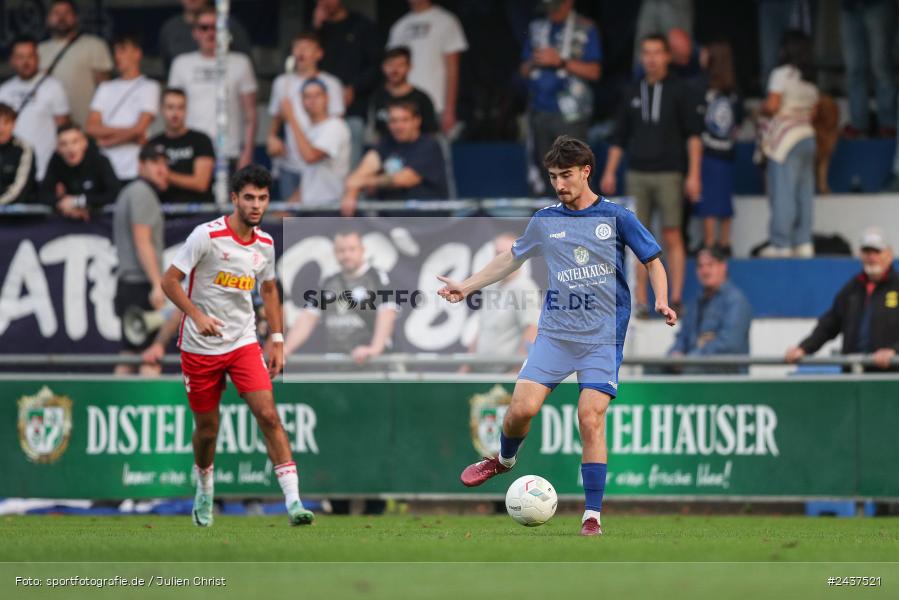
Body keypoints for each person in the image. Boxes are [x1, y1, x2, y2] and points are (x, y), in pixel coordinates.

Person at [437, 136, 677, 536]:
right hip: (555, 336)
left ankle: (592, 516)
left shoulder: (617, 217)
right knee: (521, 411)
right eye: (553, 177)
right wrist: (468, 286)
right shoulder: (546, 219)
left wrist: (663, 300)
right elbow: (511, 257)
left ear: (586, 172)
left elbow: (652, 260)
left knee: (590, 416)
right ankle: (504, 460)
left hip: (601, 337)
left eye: (566, 175)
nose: (560, 184)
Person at [160, 164, 315, 527]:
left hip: (243, 342)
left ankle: (294, 502)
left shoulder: (265, 243)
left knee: (269, 415)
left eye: (262, 198)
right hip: (199, 347)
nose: (256, 205)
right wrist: (196, 315)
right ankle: (204, 482)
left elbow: (270, 289)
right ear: (234, 198)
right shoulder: (206, 236)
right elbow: (169, 282)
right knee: (208, 430)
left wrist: (276, 339)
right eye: (249, 197)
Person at [600, 33, 702, 317]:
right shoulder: (632, 91)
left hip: (670, 172)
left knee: (672, 234)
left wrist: (694, 175)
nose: (652, 58)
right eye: (646, 52)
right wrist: (609, 172)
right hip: (637, 173)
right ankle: (641, 300)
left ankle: (676, 296)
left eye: (657, 52)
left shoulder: (680, 90)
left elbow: (694, 136)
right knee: (635, 238)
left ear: (668, 56)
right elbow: (619, 137)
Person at [785, 227, 899, 372]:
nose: (871, 257)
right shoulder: (852, 289)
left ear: (889, 254)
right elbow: (829, 324)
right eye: (867, 252)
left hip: (891, 378)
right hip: (853, 376)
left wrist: (894, 352)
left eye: (877, 252)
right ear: (860, 255)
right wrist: (803, 348)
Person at [520, 0, 601, 194]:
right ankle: (552, 221)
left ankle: (581, 221)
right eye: (549, 8)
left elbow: (595, 72)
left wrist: (560, 62)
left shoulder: (586, 28)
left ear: (568, 3)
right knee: (546, 174)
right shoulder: (537, 28)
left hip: (571, 115)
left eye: (556, 7)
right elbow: (523, 70)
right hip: (540, 111)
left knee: (573, 172)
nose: (552, 13)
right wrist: (535, 61)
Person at [284, 230, 398, 365]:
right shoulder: (328, 282)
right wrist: (286, 349)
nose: (346, 255)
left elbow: (387, 314)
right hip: (338, 364)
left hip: (373, 364)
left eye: (352, 249)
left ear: (362, 250)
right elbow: (307, 318)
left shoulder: (379, 278)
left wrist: (374, 348)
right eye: (341, 251)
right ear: (335, 253)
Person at [168, 6, 257, 171]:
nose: (210, 32)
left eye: (216, 27)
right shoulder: (180, 63)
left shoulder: (241, 63)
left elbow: (250, 114)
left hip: (229, 152)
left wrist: (247, 152)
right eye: (204, 28)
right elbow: (172, 110)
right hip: (191, 151)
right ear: (195, 33)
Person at [758, 30, 818, 258]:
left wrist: (760, 109)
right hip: (807, 135)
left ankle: (781, 243)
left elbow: (772, 106)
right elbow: (814, 110)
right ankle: (804, 242)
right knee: (804, 192)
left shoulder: (781, 74)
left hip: (785, 139)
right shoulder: (810, 78)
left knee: (783, 191)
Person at [112, 144, 170, 375]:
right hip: (141, 284)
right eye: (155, 163)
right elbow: (142, 239)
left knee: (130, 353)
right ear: (141, 165)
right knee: (149, 356)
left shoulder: (130, 192)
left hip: (128, 283)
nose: (162, 169)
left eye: (165, 163)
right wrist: (157, 285)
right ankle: (151, 410)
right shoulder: (142, 193)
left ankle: (114, 407)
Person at [267, 32, 344, 200]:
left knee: (314, 218)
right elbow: (276, 119)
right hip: (290, 162)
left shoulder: (331, 83)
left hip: (320, 164)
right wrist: (272, 137)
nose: (301, 52)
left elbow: (336, 123)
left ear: (319, 53)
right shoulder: (282, 82)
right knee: (291, 223)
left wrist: (291, 116)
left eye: (307, 47)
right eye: (297, 47)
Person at [340, 100, 447, 215]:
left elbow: (404, 179)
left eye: (404, 120)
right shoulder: (385, 143)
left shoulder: (429, 145)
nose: (398, 126)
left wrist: (365, 182)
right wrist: (351, 193)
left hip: (426, 222)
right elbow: (362, 172)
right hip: (389, 223)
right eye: (393, 121)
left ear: (417, 121)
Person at [314, 0, 382, 168]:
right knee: (320, 168)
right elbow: (303, 61)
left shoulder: (362, 26)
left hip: (353, 110)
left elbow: (376, 67)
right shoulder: (318, 30)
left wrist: (354, 88)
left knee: (351, 166)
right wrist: (316, 28)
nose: (325, 3)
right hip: (320, 114)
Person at [86, 34, 160, 182]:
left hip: (134, 166)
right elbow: (91, 127)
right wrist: (130, 133)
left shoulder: (149, 86)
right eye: (116, 52)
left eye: (123, 50)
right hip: (107, 166)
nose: (118, 56)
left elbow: (140, 128)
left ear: (137, 54)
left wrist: (106, 141)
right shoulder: (105, 87)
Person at [387, 0, 468, 134]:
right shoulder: (399, 26)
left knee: (435, 151)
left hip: (436, 105)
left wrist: (449, 110)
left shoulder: (446, 21)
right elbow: (391, 68)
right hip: (403, 108)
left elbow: (453, 69)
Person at [463, 233, 540, 374]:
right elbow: (482, 329)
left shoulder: (524, 287)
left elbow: (532, 330)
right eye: (498, 253)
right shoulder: (492, 287)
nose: (503, 258)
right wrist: (466, 367)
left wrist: (517, 370)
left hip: (505, 374)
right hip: (482, 373)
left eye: (507, 253)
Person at [668, 247, 752, 373]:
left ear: (723, 267)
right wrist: (674, 353)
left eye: (710, 265)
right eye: (700, 266)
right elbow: (683, 337)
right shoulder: (695, 302)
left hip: (725, 372)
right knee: (655, 368)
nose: (705, 271)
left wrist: (690, 359)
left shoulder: (735, 301)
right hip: (694, 364)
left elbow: (730, 344)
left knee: (691, 371)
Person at [0, 36, 71, 180]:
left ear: (38, 58)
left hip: (45, 167)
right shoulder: (4, 90)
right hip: (11, 167)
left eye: (30, 56)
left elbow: (64, 128)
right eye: (20, 57)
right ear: (12, 60)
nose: (26, 62)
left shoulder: (53, 87)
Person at [694, 41, 741, 253]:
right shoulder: (735, 92)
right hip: (727, 153)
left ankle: (711, 243)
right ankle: (726, 242)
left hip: (709, 153)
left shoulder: (703, 88)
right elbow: (737, 124)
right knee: (723, 198)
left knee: (711, 200)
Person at [38, 0, 113, 127]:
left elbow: (105, 89)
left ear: (76, 18)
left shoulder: (94, 45)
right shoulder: (38, 50)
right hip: (49, 127)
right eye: (56, 13)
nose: (61, 18)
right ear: (48, 18)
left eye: (67, 13)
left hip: (86, 126)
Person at [278, 79, 351, 208]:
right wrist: (286, 209)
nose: (312, 100)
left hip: (330, 206)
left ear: (327, 98)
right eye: (307, 96)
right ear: (301, 101)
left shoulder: (335, 126)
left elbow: (310, 157)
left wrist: (291, 117)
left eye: (318, 95)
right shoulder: (310, 131)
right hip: (309, 207)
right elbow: (309, 178)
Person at [839, 0, 896, 138]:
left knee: (881, 65)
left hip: (878, 5)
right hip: (848, 7)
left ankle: (888, 123)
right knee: (854, 68)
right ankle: (858, 124)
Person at [40, 124, 121, 218]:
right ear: (58, 149)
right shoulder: (56, 161)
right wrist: (61, 202)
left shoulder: (99, 160)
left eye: (75, 142)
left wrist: (77, 201)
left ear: (84, 143)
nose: (70, 148)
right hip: (67, 216)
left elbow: (114, 194)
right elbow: (43, 194)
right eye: (63, 144)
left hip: (99, 217)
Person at [149, 88, 215, 204]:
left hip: (199, 212)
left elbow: (201, 183)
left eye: (180, 108)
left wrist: (165, 175)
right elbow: (149, 179)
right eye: (170, 107)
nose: (175, 114)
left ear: (186, 110)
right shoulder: (152, 143)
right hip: (163, 213)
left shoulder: (201, 140)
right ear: (162, 110)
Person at [159, 0, 253, 72]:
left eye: (213, 28)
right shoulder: (170, 28)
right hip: (183, 92)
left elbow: (245, 64)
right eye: (204, 28)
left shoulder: (228, 25)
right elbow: (167, 67)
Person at [369, 46, 438, 143]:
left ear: (409, 67)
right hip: (387, 152)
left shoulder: (422, 98)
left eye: (400, 65)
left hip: (416, 151)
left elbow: (431, 134)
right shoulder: (377, 97)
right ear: (383, 67)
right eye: (390, 64)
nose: (395, 70)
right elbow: (376, 133)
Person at [0, 103, 36, 206]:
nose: (1, 128)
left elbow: (21, 188)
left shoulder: (24, 148)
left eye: (6, 122)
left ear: (14, 124)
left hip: (15, 212)